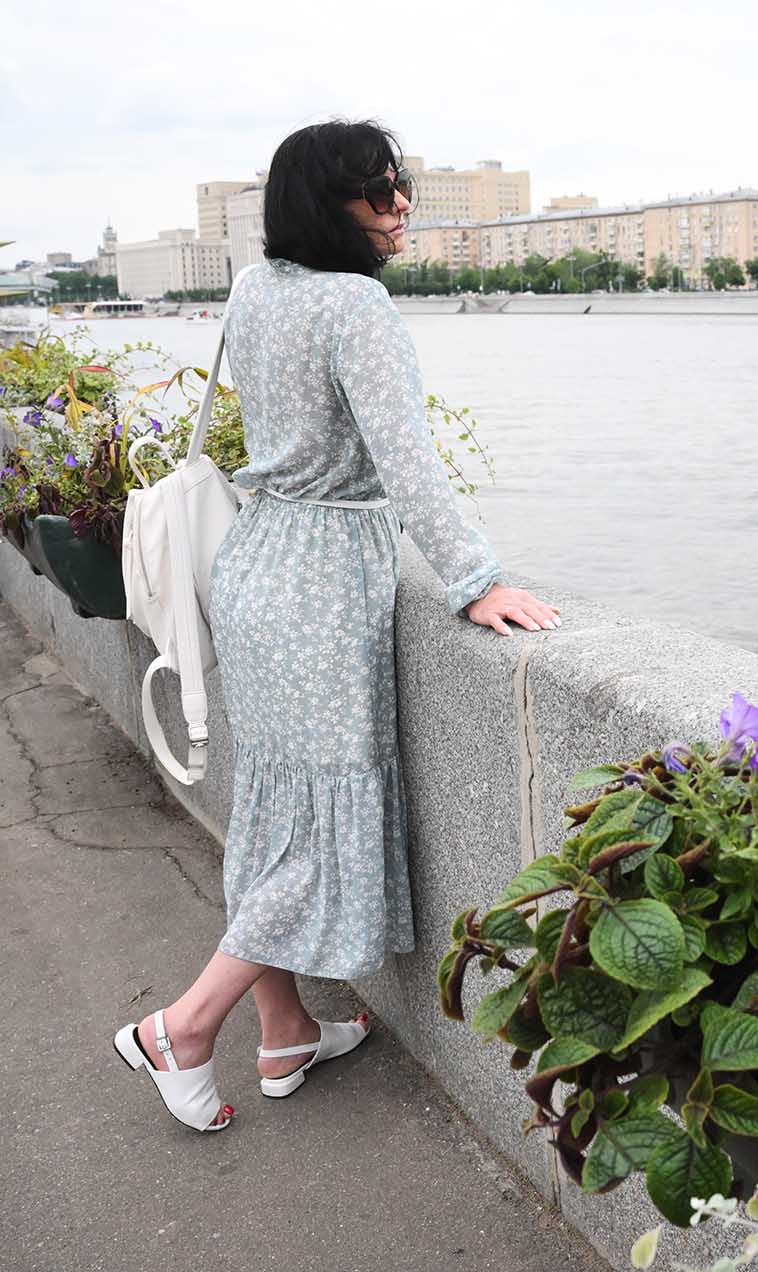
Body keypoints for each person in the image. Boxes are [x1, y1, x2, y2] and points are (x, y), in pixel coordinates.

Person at [113, 120, 561, 1132]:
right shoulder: (354, 304)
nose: (400, 209)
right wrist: (476, 578)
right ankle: (182, 1028)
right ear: (333, 205)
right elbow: (409, 465)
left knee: (278, 807)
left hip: (259, 560)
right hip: (321, 584)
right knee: (317, 831)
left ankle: (285, 1032)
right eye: (379, 194)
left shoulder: (253, 285)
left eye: (402, 188)